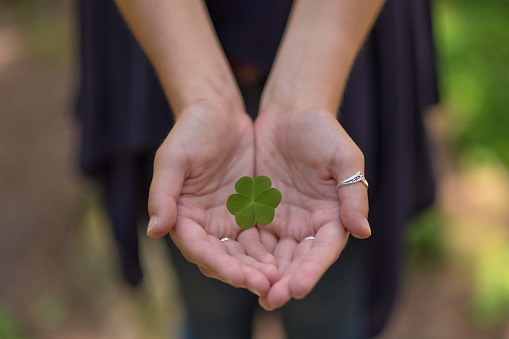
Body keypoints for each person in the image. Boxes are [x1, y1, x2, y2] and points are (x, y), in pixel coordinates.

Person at [76, 0, 438, 337]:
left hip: (343, 26)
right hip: (163, 32)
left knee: (326, 314)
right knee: (210, 312)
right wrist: (202, 96)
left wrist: (308, 93)